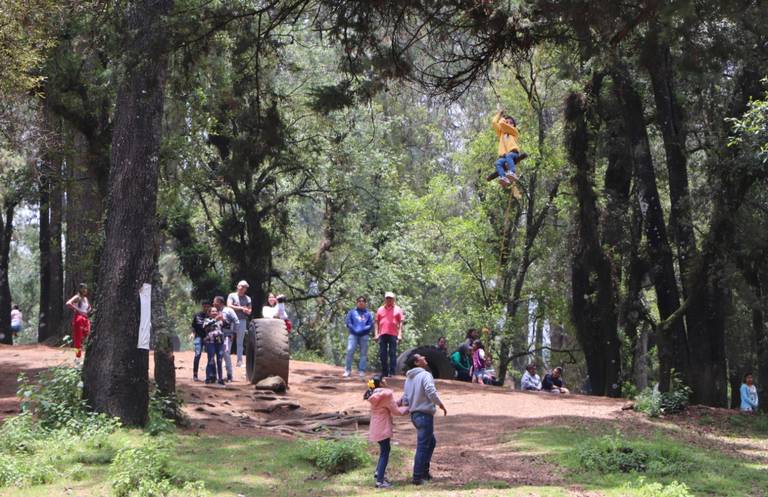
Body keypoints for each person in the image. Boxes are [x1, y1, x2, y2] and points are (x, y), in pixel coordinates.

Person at [400, 353, 447, 485]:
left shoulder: (408, 379)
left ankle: (424, 472)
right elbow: (430, 391)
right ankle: (417, 477)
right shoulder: (425, 375)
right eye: (421, 357)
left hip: (415, 416)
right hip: (424, 415)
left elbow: (405, 399)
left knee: (431, 442)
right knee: (423, 446)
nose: (424, 358)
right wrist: (440, 404)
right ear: (416, 362)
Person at [365, 374, 408, 489]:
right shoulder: (386, 394)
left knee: (383, 450)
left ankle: (378, 472)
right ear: (381, 383)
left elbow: (389, 405)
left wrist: (400, 401)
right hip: (383, 427)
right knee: (385, 452)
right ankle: (380, 482)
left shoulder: (374, 394)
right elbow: (396, 411)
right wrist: (409, 408)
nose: (385, 380)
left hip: (375, 427)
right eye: (383, 379)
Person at [490, 110, 528, 188]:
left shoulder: (514, 131)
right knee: (498, 163)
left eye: (511, 122)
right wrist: (499, 114)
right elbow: (494, 123)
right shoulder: (501, 133)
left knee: (509, 155)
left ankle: (512, 172)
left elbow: (501, 124)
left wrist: (503, 118)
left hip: (514, 153)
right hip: (504, 157)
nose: (508, 123)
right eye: (507, 122)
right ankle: (503, 177)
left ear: (513, 125)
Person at [374, 292, 404, 377]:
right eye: (387, 298)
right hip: (382, 333)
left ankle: (392, 372)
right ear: (385, 299)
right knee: (383, 353)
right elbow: (376, 322)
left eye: (390, 298)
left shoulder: (398, 309)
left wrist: (400, 334)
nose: (389, 300)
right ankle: (384, 372)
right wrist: (376, 334)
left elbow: (401, 323)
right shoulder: (380, 309)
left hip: (393, 334)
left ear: (394, 299)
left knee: (392, 353)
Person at [344, 296, 374, 378]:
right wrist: (354, 329)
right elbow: (348, 323)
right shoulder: (352, 312)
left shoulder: (368, 314)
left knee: (363, 353)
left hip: (364, 335)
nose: (361, 302)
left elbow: (370, 325)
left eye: (363, 301)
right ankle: (347, 370)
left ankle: (361, 371)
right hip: (353, 335)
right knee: (350, 350)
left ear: (365, 303)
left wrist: (362, 330)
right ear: (356, 303)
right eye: (359, 301)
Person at [213, 296, 239, 382]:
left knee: (226, 353)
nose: (213, 303)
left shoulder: (229, 310)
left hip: (227, 335)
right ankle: (218, 376)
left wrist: (234, 333)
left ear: (220, 302)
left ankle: (229, 375)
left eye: (215, 302)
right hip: (217, 336)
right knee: (218, 355)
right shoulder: (215, 311)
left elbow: (236, 322)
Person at [227, 280, 252, 368]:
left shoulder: (248, 298)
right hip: (231, 320)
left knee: (240, 342)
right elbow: (229, 305)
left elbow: (250, 310)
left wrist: (247, 311)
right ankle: (226, 361)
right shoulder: (231, 295)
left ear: (246, 289)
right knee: (229, 340)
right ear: (237, 286)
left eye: (244, 287)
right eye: (241, 286)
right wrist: (241, 308)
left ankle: (239, 362)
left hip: (242, 320)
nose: (242, 288)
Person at [66, 284, 92, 358]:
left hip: (85, 318)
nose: (85, 290)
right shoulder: (77, 297)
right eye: (83, 288)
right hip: (78, 318)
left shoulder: (86, 298)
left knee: (87, 333)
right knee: (78, 338)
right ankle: (78, 357)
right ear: (80, 289)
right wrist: (78, 310)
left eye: (86, 289)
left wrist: (88, 310)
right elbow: (68, 303)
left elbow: (89, 308)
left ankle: (83, 351)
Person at [190, 300, 212, 381]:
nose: (206, 308)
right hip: (198, 337)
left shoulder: (212, 315)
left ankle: (210, 375)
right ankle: (195, 374)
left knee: (211, 356)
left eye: (207, 306)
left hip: (209, 337)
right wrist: (192, 333)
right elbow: (194, 326)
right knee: (197, 354)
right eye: (204, 306)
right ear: (202, 306)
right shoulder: (197, 315)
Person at [203, 307, 225, 385]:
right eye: (213, 311)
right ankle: (208, 378)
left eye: (216, 311)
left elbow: (227, 326)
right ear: (209, 313)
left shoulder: (220, 320)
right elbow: (206, 327)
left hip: (220, 342)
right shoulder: (207, 320)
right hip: (210, 342)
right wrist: (215, 319)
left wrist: (223, 320)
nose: (215, 313)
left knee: (220, 360)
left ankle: (220, 379)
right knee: (211, 360)